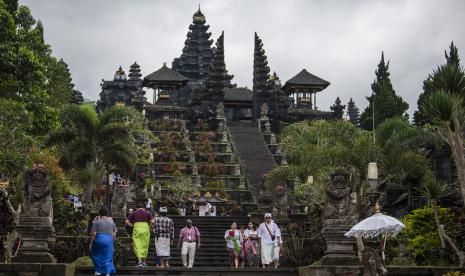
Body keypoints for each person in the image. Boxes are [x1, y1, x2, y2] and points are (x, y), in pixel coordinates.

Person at [125, 202, 155, 267]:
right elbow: (153, 222)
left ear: (136, 208)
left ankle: (139, 262)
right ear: (144, 208)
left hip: (137, 228)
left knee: (137, 244)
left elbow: (126, 222)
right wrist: (149, 227)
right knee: (145, 245)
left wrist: (132, 226)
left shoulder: (134, 212)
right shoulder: (148, 213)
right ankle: (144, 262)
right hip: (145, 228)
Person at [89, 207, 116, 276]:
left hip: (99, 238)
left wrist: (91, 244)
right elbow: (114, 234)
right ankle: (107, 272)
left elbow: (94, 234)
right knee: (108, 256)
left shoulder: (97, 222)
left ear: (99, 214)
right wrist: (112, 243)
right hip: (109, 239)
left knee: (97, 254)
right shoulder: (112, 223)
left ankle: (98, 270)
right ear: (107, 214)